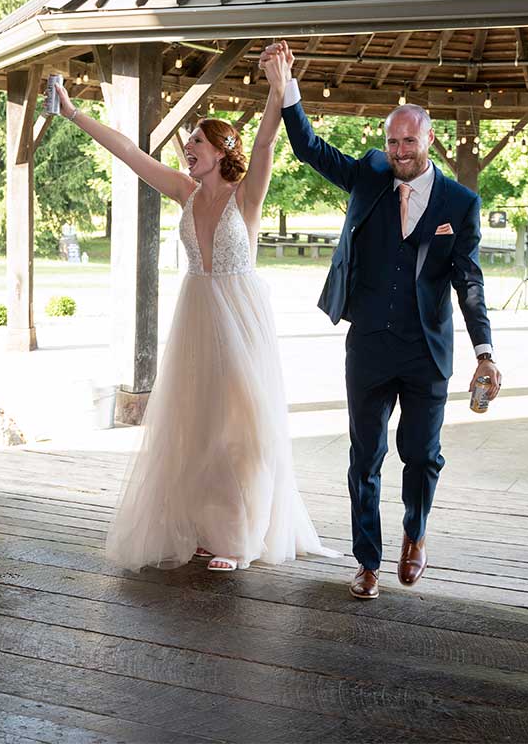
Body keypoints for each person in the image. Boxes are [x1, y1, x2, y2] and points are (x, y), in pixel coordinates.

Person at [54, 57, 337, 572]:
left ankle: (241, 537)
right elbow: (129, 152)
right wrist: (74, 114)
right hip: (196, 316)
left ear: (221, 150)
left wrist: (280, 88)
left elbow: (269, 142)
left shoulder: (246, 194)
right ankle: (208, 531)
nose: (188, 152)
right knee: (199, 429)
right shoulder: (184, 193)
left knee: (244, 430)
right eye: (187, 148)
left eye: (197, 145)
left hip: (241, 317)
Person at [262, 42, 502, 599]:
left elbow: (469, 280)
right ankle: (366, 561)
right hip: (367, 344)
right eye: (392, 140)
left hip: (425, 351)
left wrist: (484, 351)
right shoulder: (370, 174)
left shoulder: (459, 203)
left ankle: (415, 533)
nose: (398, 150)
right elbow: (309, 150)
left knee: (421, 455)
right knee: (364, 456)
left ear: (429, 140)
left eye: (408, 141)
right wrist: (286, 85)